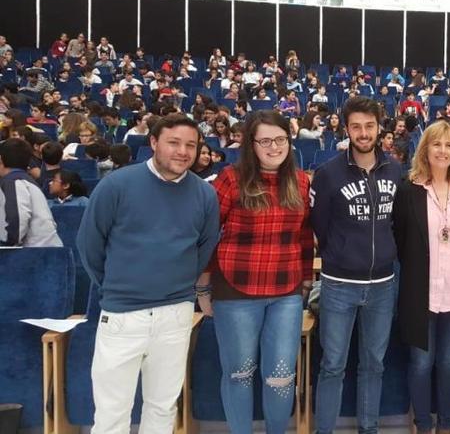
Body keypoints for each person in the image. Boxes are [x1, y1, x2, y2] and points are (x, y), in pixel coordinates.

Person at [76, 114, 220, 434]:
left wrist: (176, 283)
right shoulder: (116, 185)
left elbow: (204, 249)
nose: (183, 151)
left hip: (175, 314)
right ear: (154, 142)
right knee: (113, 412)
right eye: (174, 143)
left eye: (191, 145)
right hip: (123, 313)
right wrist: (121, 284)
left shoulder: (205, 195)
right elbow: (89, 246)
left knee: (163, 406)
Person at [194, 111, 313, 434]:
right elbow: (207, 233)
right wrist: (203, 287)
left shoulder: (300, 181)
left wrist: (305, 279)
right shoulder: (230, 179)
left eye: (280, 139)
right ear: (251, 144)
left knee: (281, 376)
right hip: (236, 291)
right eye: (265, 141)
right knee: (239, 373)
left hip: (285, 291)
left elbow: (303, 235)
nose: (274, 147)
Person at [310, 97, 402, 434]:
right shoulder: (328, 173)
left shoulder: (394, 169)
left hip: (383, 284)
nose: (363, 133)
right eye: (356, 127)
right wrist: (342, 252)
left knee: (374, 365)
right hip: (338, 284)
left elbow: (397, 223)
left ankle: (369, 428)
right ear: (346, 129)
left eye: (369, 126)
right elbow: (319, 226)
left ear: (379, 128)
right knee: (333, 365)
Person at [393, 120, 450, 434]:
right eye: (436, 144)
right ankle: (423, 426)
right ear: (425, 149)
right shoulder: (408, 189)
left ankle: (447, 426)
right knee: (420, 364)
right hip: (420, 294)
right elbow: (401, 241)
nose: (442, 151)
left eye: (449, 145)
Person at [0, 138, 63, 247]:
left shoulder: (14, 182)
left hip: (37, 256)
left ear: (1, 160)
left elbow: (16, 228)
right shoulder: (22, 180)